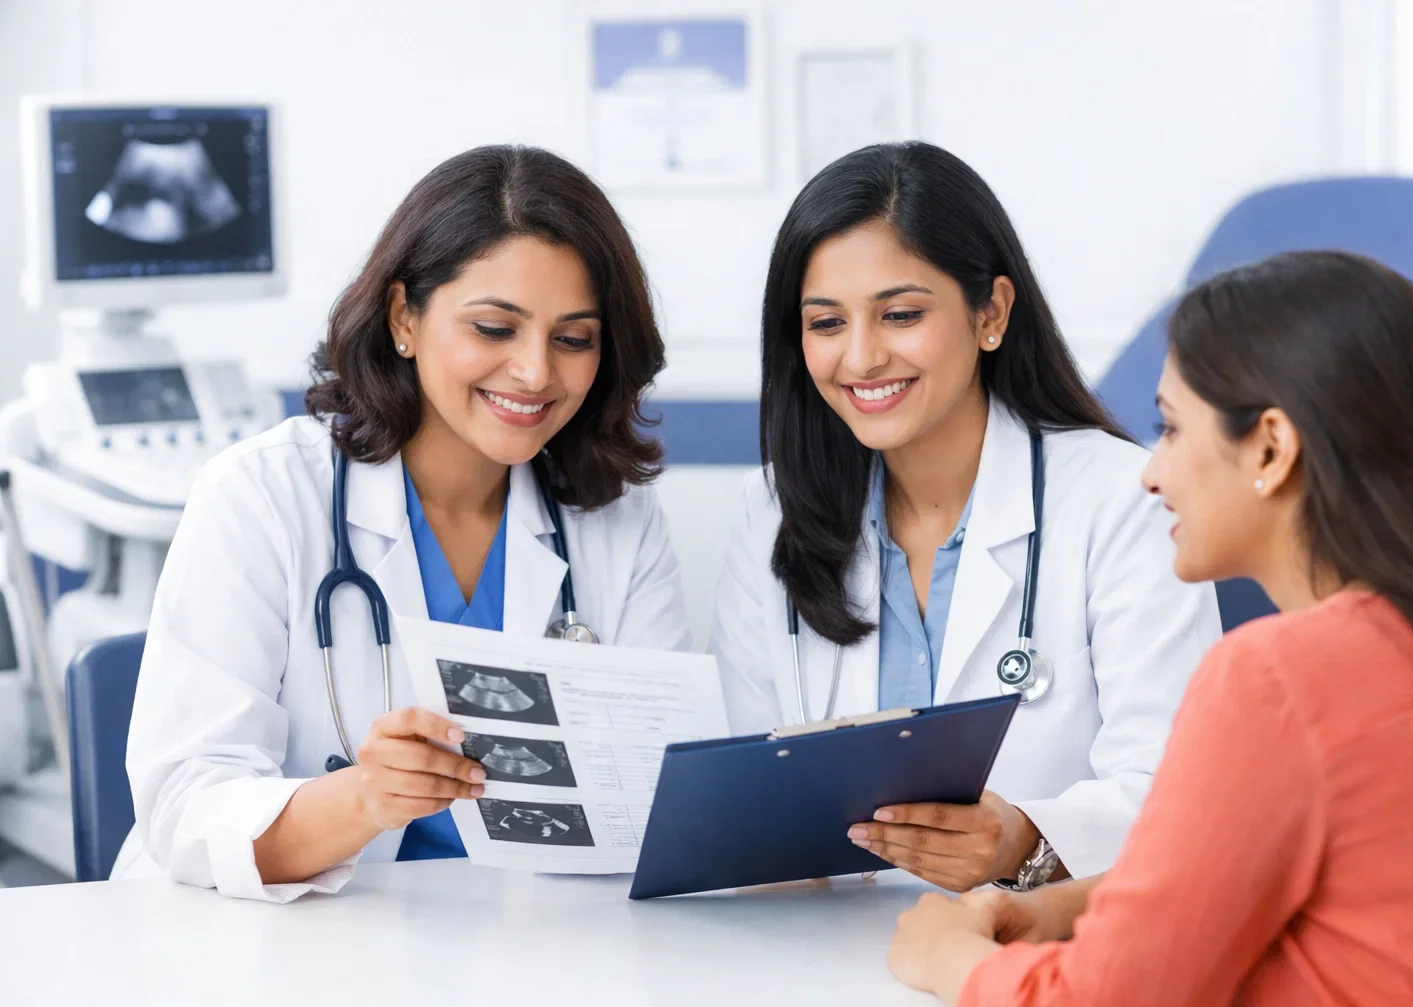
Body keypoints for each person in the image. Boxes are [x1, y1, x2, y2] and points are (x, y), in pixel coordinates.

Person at [886, 251, 1413, 1007]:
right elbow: (1345, 886)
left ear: (1270, 446)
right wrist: (1065, 910)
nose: (1150, 473)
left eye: (1169, 428)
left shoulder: (1281, 678)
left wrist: (947, 958)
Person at [114, 145, 690, 901]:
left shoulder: (614, 518)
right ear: (402, 319)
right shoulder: (262, 496)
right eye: (493, 328)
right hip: (274, 939)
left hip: (529, 941)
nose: (536, 372)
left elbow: (662, 784)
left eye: (573, 338)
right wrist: (364, 798)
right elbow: (185, 804)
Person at [710, 142, 1220, 891]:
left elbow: (1182, 792)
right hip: (817, 957)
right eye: (825, 324)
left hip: (1042, 960)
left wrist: (1028, 845)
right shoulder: (772, 513)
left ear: (991, 312)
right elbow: (738, 777)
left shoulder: (1121, 498)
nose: (860, 357)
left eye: (901, 314)